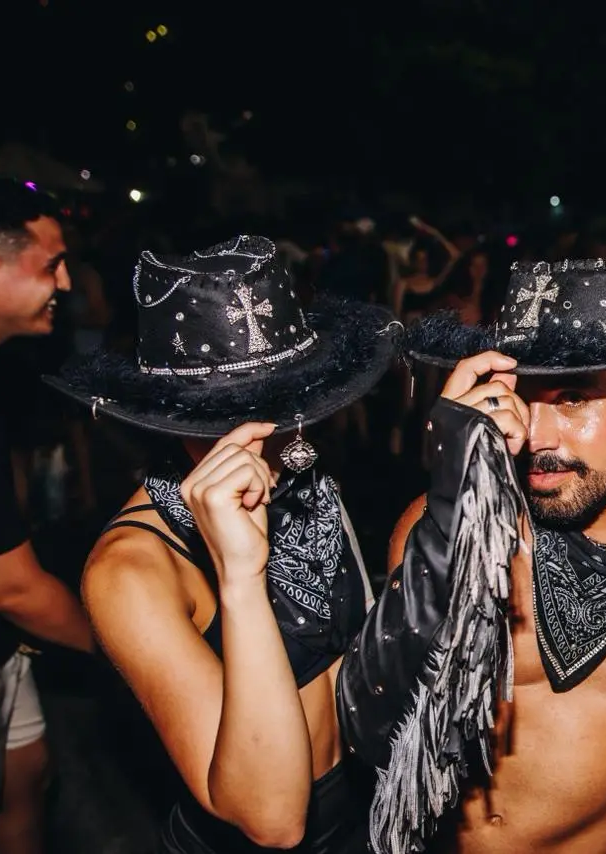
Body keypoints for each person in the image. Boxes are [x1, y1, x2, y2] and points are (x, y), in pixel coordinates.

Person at [338, 258, 606, 854]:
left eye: (573, 399)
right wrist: (453, 491)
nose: (539, 437)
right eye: (521, 398)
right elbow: (369, 733)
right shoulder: (451, 528)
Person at [43, 236, 402, 853]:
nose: (275, 431)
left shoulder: (298, 468)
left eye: (290, 397)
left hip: (366, 806)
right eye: (224, 411)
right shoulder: (131, 570)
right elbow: (272, 820)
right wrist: (240, 579)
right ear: (172, 413)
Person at [0, 170, 95, 854]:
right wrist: (127, 648)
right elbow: (12, 587)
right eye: (51, 264)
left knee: (28, 779)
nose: (66, 282)